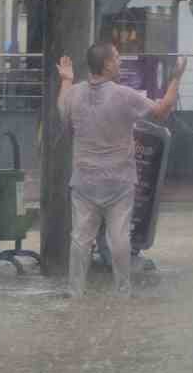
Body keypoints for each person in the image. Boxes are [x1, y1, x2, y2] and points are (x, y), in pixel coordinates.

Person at [58, 43, 185, 297]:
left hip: (84, 181)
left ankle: (74, 294)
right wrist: (176, 78)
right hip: (118, 182)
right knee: (119, 240)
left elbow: (62, 108)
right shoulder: (124, 95)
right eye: (116, 58)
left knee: (80, 239)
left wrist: (67, 80)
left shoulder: (74, 94)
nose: (120, 62)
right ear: (106, 65)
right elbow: (162, 111)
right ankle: (122, 294)